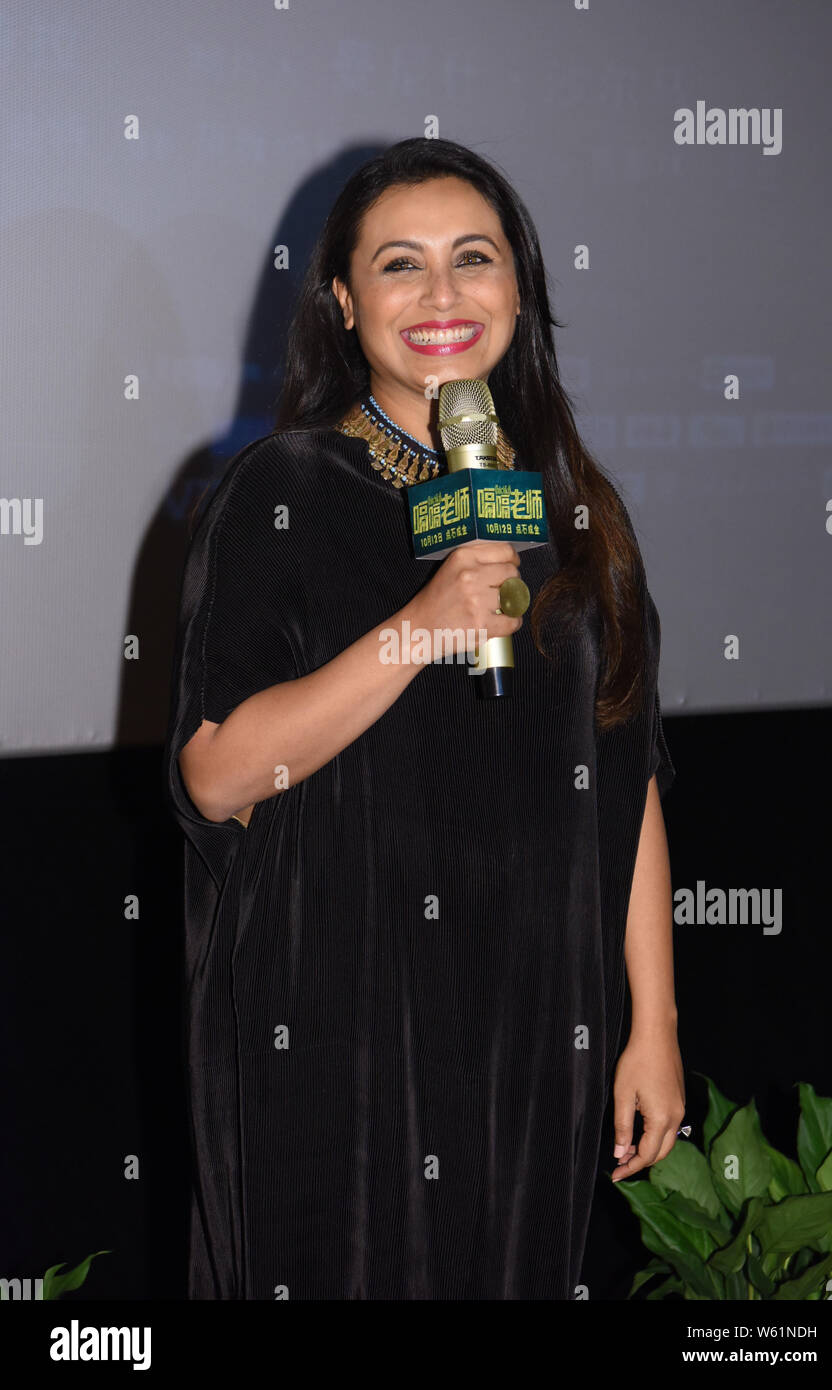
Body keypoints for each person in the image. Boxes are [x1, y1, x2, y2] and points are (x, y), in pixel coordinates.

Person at [164, 136, 683, 1301]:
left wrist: (653, 1017)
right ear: (345, 303)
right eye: (402, 266)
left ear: (521, 289)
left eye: (474, 259)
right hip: (344, 1019)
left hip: (534, 1023)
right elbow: (216, 778)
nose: (442, 296)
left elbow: (624, 767)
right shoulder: (278, 492)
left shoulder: (576, 512)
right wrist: (418, 627)